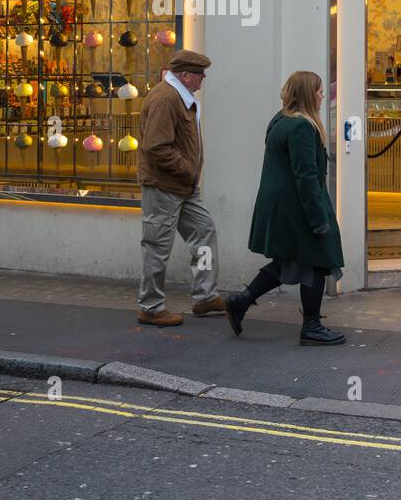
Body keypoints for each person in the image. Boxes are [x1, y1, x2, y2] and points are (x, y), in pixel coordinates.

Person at [226, 70, 346, 346]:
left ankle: (241, 301)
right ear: (307, 94)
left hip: (281, 206)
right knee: (317, 260)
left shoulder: (280, 120)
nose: (322, 95)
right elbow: (305, 176)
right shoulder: (302, 127)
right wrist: (318, 219)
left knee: (289, 261)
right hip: (297, 207)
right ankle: (312, 326)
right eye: (317, 91)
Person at [136, 49, 225, 326]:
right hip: (164, 185)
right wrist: (187, 169)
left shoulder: (181, 97)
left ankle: (205, 296)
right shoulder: (166, 98)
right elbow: (156, 146)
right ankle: (150, 307)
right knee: (157, 246)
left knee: (204, 231)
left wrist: (189, 176)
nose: (203, 78)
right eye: (200, 74)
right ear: (185, 75)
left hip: (183, 186)